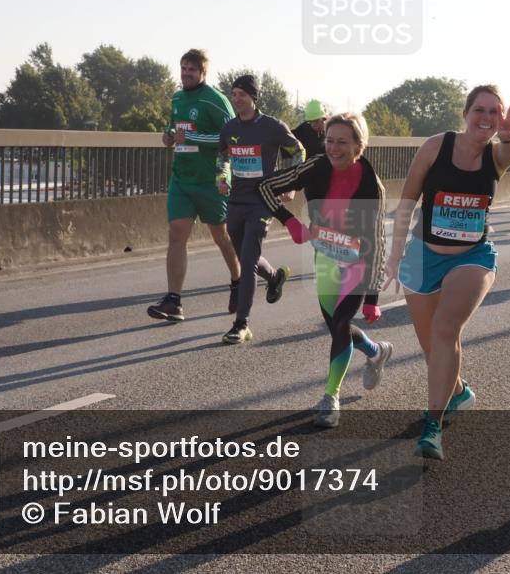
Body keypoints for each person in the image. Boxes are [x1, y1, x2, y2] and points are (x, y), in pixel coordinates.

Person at [383, 85, 510, 460]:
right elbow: (408, 199)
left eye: (494, 112)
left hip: (471, 258)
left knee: (446, 329)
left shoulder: (497, 153)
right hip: (423, 256)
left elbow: (509, 152)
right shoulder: (436, 146)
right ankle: (458, 392)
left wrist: (507, 139)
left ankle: (432, 425)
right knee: (433, 350)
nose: (486, 118)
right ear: (465, 112)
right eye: (480, 110)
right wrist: (395, 255)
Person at [259, 113, 391, 427]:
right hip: (327, 257)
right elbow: (265, 187)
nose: (334, 148)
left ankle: (330, 397)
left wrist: (372, 296)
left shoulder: (372, 185)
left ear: (359, 146)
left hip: (357, 262)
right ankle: (375, 351)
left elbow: (377, 241)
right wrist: (289, 220)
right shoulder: (316, 165)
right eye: (330, 140)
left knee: (343, 322)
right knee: (337, 328)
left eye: (342, 142)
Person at [149, 49, 240, 323]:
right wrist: (168, 136)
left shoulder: (215, 100)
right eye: (183, 68)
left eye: (192, 70)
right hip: (182, 178)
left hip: (211, 179)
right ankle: (173, 301)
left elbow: (232, 138)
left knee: (220, 236)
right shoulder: (177, 97)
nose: (186, 74)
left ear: (203, 73)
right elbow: (174, 128)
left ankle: (238, 280)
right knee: (177, 235)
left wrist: (192, 136)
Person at [216, 74, 305, 344]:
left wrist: (290, 184)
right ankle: (275, 277)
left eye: (242, 94)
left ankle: (241, 324)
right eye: (233, 94)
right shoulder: (229, 127)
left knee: (248, 261)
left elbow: (298, 151)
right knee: (245, 258)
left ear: (253, 98)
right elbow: (223, 156)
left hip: (263, 201)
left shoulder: (272, 127)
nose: (236, 99)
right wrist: (222, 177)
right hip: (236, 200)